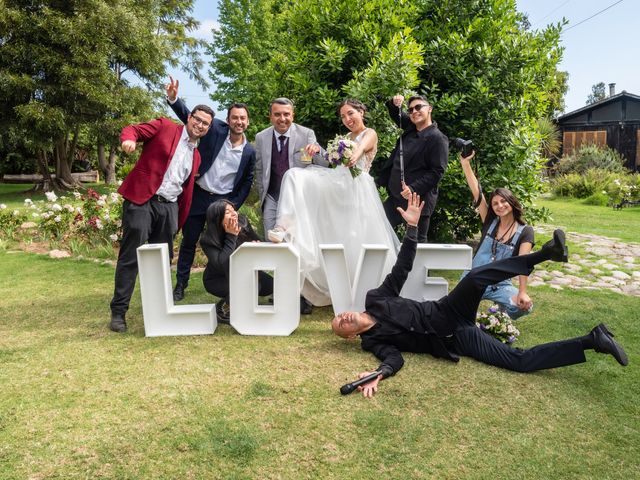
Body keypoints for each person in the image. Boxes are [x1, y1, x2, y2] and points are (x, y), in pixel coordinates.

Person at [332, 193, 628, 398]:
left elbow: (402, 267)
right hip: (455, 337)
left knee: (475, 276)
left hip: (446, 309)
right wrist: (378, 374)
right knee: (517, 361)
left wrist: (412, 227)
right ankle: (593, 340)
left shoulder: (376, 298)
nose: (343, 317)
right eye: (341, 325)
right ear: (350, 336)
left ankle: (547, 252)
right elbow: (394, 359)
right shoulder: (374, 342)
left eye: (339, 315)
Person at [268, 99, 401, 307]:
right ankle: (284, 226)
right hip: (337, 182)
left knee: (357, 237)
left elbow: (358, 152)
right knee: (295, 175)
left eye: (350, 114)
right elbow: (330, 163)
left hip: (357, 187)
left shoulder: (370, 133)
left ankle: (365, 290)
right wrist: (316, 151)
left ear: (361, 112)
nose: (347, 119)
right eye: (343, 116)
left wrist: (352, 154)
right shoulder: (345, 137)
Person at [109, 106, 214, 333]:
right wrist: (129, 140)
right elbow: (132, 130)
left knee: (163, 260)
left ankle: (159, 311)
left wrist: (178, 220)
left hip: (168, 208)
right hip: (142, 201)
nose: (200, 125)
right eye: (198, 119)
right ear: (189, 118)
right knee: (132, 255)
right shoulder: (165, 126)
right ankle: (118, 312)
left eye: (206, 123)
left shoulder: (196, 156)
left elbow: (186, 191)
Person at [166, 77, 256, 302]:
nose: (238, 121)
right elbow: (189, 115)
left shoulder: (250, 151)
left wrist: (233, 205)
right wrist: (173, 99)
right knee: (189, 241)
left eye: (242, 118)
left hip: (223, 203)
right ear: (227, 120)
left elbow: (247, 181)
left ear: (248, 122)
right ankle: (181, 285)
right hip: (199, 195)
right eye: (234, 117)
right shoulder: (215, 129)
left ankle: (228, 286)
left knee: (228, 243)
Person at [459, 150, 534, 319]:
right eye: (495, 204)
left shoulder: (525, 231)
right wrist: (465, 163)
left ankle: (499, 317)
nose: (500, 206)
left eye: (503, 201)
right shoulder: (490, 223)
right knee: (456, 312)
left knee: (524, 307)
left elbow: (524, 263)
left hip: (499, 285)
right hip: (472, 279)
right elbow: (477, 193)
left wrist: (522, 292)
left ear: (512, 202)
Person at [254, 97, 329, 239]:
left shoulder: (307, 134)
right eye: (277, 114)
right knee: (271, 241)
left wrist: (317, 150)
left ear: (293, 115)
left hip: (297, 199)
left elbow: (324, 165)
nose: (282, 118)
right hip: (271, 197)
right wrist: (263, 196)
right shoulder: (261, 137)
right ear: (270, 116)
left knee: (295, 241)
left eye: (286, 114)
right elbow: (260, 169)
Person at [379, 95, 449, 242]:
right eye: (411, 109)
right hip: (395, 198)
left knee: (416, 246)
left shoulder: (438, 138)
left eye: (419, 107)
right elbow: (396, 114)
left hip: (417, 202)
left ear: (429, 109)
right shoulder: (411, 128)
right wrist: (394, 103)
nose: (414, 112)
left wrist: (412, 188)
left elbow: (437, 172)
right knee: (378, 232)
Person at [199, 200, 273, 324]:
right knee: (253, 287)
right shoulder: (208, 240)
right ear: (218, 218)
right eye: (228, 212)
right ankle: (224, 306)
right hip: (219, 279)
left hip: (243, 273)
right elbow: (223, 264)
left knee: (269, 285)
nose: (234, 213)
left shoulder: (242, 223)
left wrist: (256, 244)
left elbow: (256, 239)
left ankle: (236, 299)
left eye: (233, 209)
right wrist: (231, 236)